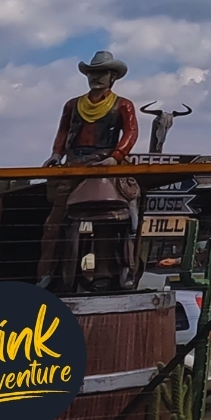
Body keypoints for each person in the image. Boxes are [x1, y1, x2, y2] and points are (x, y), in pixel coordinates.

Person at [38, 51, 139, 288]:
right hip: (74, 163)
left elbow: (131, 132)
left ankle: (107, 273)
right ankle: (49, 272)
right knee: (55, 220)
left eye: (102, 73)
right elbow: (63, 131)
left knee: (108, 219)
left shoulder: (123, 104)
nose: (96, 78)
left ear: (112, 76)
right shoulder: (73, 104)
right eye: (93, 73)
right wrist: (56, 153)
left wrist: (116, 157)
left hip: (104, 162)